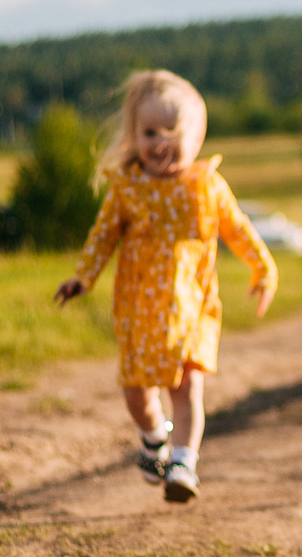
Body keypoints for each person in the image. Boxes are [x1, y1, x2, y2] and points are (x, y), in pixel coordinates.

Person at [55, 70, 278, 504]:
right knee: (136, 394)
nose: (160, 142)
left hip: (192, 308)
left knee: (187, 388)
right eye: (149, 132)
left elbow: (239, 231)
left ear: (197, 137)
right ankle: (154, 438)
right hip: (139, 311)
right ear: (134, 135)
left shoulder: (206, 185)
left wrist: (263, 270)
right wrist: (83, 278)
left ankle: (182, 463)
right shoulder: (127, 189)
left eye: (173, 131)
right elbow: (102, 238)